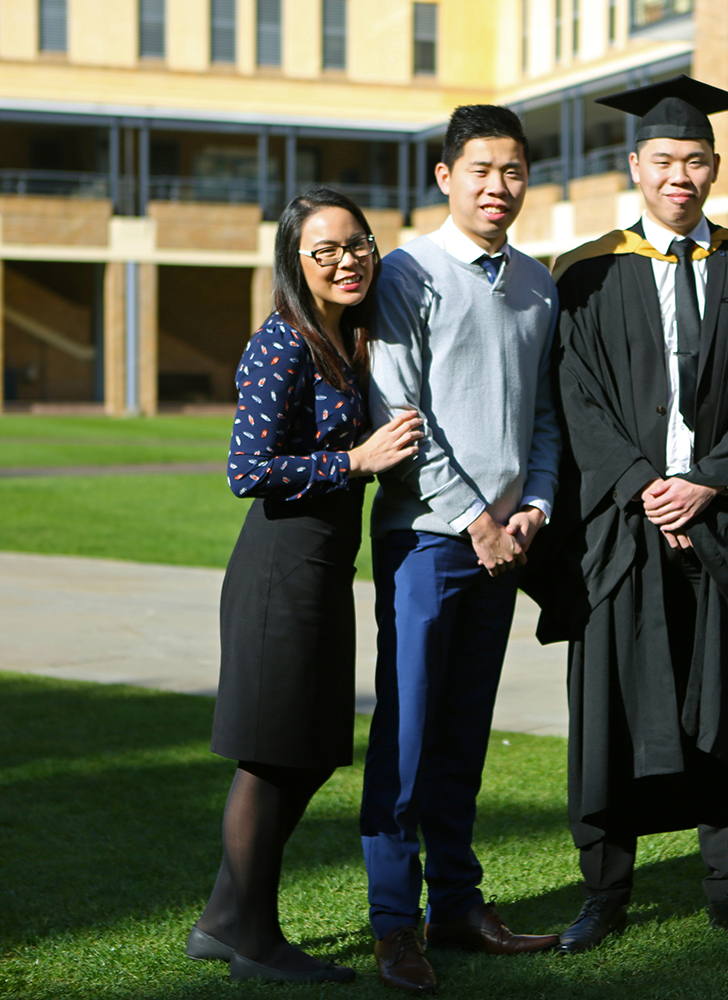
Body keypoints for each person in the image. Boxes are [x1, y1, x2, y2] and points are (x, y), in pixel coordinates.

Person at [531, 75, 728, 955]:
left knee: (725, 703)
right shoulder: (588, 272)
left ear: (715, 167)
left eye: (695, 160)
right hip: (623, 525)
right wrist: (646, 483)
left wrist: (710, 481)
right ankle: (604, 892)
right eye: (663, 160)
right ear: (635, 166)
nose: (679, 175)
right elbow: (575, 393)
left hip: (721, 524)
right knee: (609, 704)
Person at [189, 187, 422, 984]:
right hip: (278, 567)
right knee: (271, 756)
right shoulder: (282, 344)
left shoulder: (342, 339)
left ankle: (225, 918)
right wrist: (354, 462)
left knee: (311, 750)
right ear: (296, 262)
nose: (346, 260)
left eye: (356, 244)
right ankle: (252, 937)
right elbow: (244, 471)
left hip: (323, 566)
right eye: (324, 250)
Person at [360, 105, 562, 995]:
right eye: (480, 170)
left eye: (513, 171)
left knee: (463, 736)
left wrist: (536, 507)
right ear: (445, 176)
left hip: (504, 547)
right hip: (429, 544)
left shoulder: (539, 282)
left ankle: (458, 903)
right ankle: (394, 925)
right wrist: (476, 519)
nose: (497, 187)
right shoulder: (407, 274)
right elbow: (397, 414)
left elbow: (542, 416)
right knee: (406, 736)